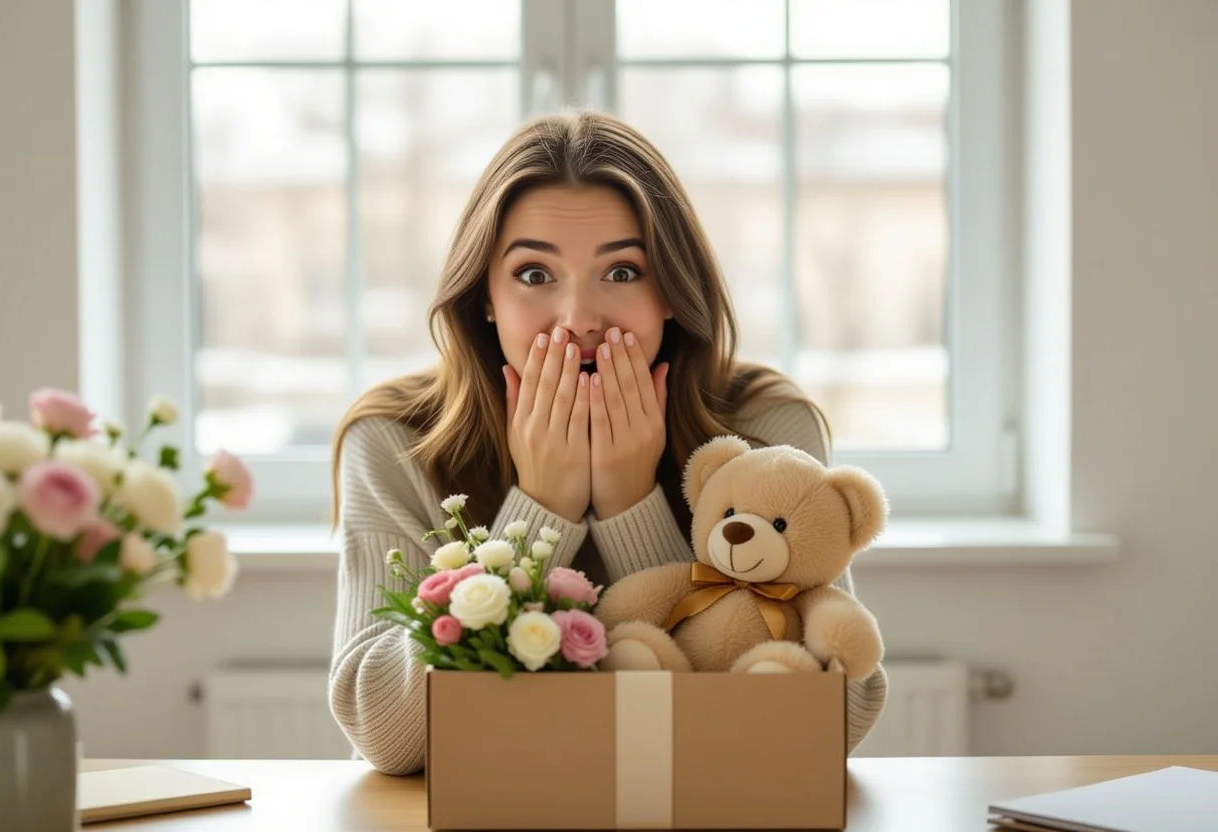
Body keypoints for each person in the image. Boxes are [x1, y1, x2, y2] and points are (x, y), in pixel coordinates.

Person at [328, 109, 887, 775]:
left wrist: (630, 500)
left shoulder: (767, 428)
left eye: (621, 273)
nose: (580, 321)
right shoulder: (395, 441)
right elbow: (386, 738)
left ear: (672, 292)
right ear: (484, 296)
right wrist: (541, 508)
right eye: (535, 275)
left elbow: (830, 726)